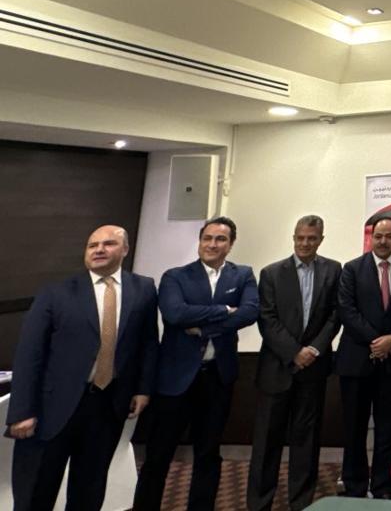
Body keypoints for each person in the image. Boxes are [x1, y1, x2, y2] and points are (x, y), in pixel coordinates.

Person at [7, 225, 158, 511]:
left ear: (125, 249)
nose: (99, 249)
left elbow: (148, 342)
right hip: (52, 409)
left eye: (108, 243)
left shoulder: (144, 290)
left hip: (107, 405)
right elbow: (30, 354)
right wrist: (22, 411)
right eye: (92, 245)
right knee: (36, 491)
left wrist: (143, 388)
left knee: (89, 489)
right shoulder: (56, 293)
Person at [133, 216, 259, 511]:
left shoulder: (242, 275)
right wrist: (225, 310)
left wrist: (204, 328)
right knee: (158, 455)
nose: (212, 244)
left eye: (220, 239)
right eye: (207, 238)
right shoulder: (175, 276)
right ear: (200, 240)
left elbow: (250, 312)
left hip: (217, 378)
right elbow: (175, 314)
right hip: (175, 380)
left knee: (208, 453)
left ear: (231, 244)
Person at [246, 215, 342, 511]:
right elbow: (267, 319)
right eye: (300, 237)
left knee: (306, 442)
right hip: (277, 370)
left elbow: (335, 315)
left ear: (321, 239)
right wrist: (294, 353)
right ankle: (259, 503)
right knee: (266, 443)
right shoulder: (272, 273)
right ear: (293, 237)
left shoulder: (333, 270)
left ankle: (301, 503)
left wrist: (313, 349)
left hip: (313, 370)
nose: (305, 243)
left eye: (311, 238)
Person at [336, 216, 391, 499]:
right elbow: (347, 310)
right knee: (354, 430)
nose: (383, 241)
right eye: (378, 235)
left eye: (389, 236)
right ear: (371, 237)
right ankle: (355, 485)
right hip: (356, 362)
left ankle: (383, 484)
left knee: (387, 428)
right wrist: (377, 341)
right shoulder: (351, 269)